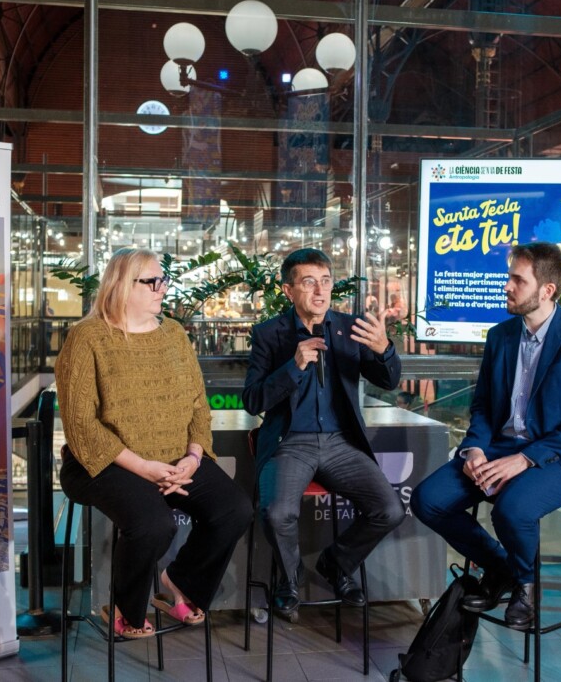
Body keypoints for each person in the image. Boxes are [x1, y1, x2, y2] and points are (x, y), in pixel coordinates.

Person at [56, 248, 252, 638]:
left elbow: (199, 404)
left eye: (163, 280)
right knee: (153, 524)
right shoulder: (87, 338)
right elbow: (81, 425)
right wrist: (144, 469)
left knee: (235, 510)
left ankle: (180, 584)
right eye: (153, 281)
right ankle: (126, 609)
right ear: (121, 287)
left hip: (176, 459)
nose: (163, 288)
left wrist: (194, 457)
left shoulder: (173, 335)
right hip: (103, 464)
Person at [411, 242, 561, 630]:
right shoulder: (500, 336)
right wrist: (474, 449)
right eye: (509, 277)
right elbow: (483, 406)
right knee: (427, 500)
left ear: (547, 290)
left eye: (518, 279)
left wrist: (524, 459)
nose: (507, 286)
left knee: (512, 508)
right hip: (499, 447)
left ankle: (526, 588)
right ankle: (501, 569)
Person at [243, 248, 406, 619]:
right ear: (288, 290)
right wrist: (294, 365)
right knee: (276, 512)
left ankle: (336, 564)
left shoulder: (350, 329)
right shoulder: (269, 335)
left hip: (340, 443)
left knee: (389, 509)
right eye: (308, 282)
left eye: (326, 281)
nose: (320, 291)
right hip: (291, 442)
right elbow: (253, 401)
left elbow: (389, 380)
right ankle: (289, 577)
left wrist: (384, 350)